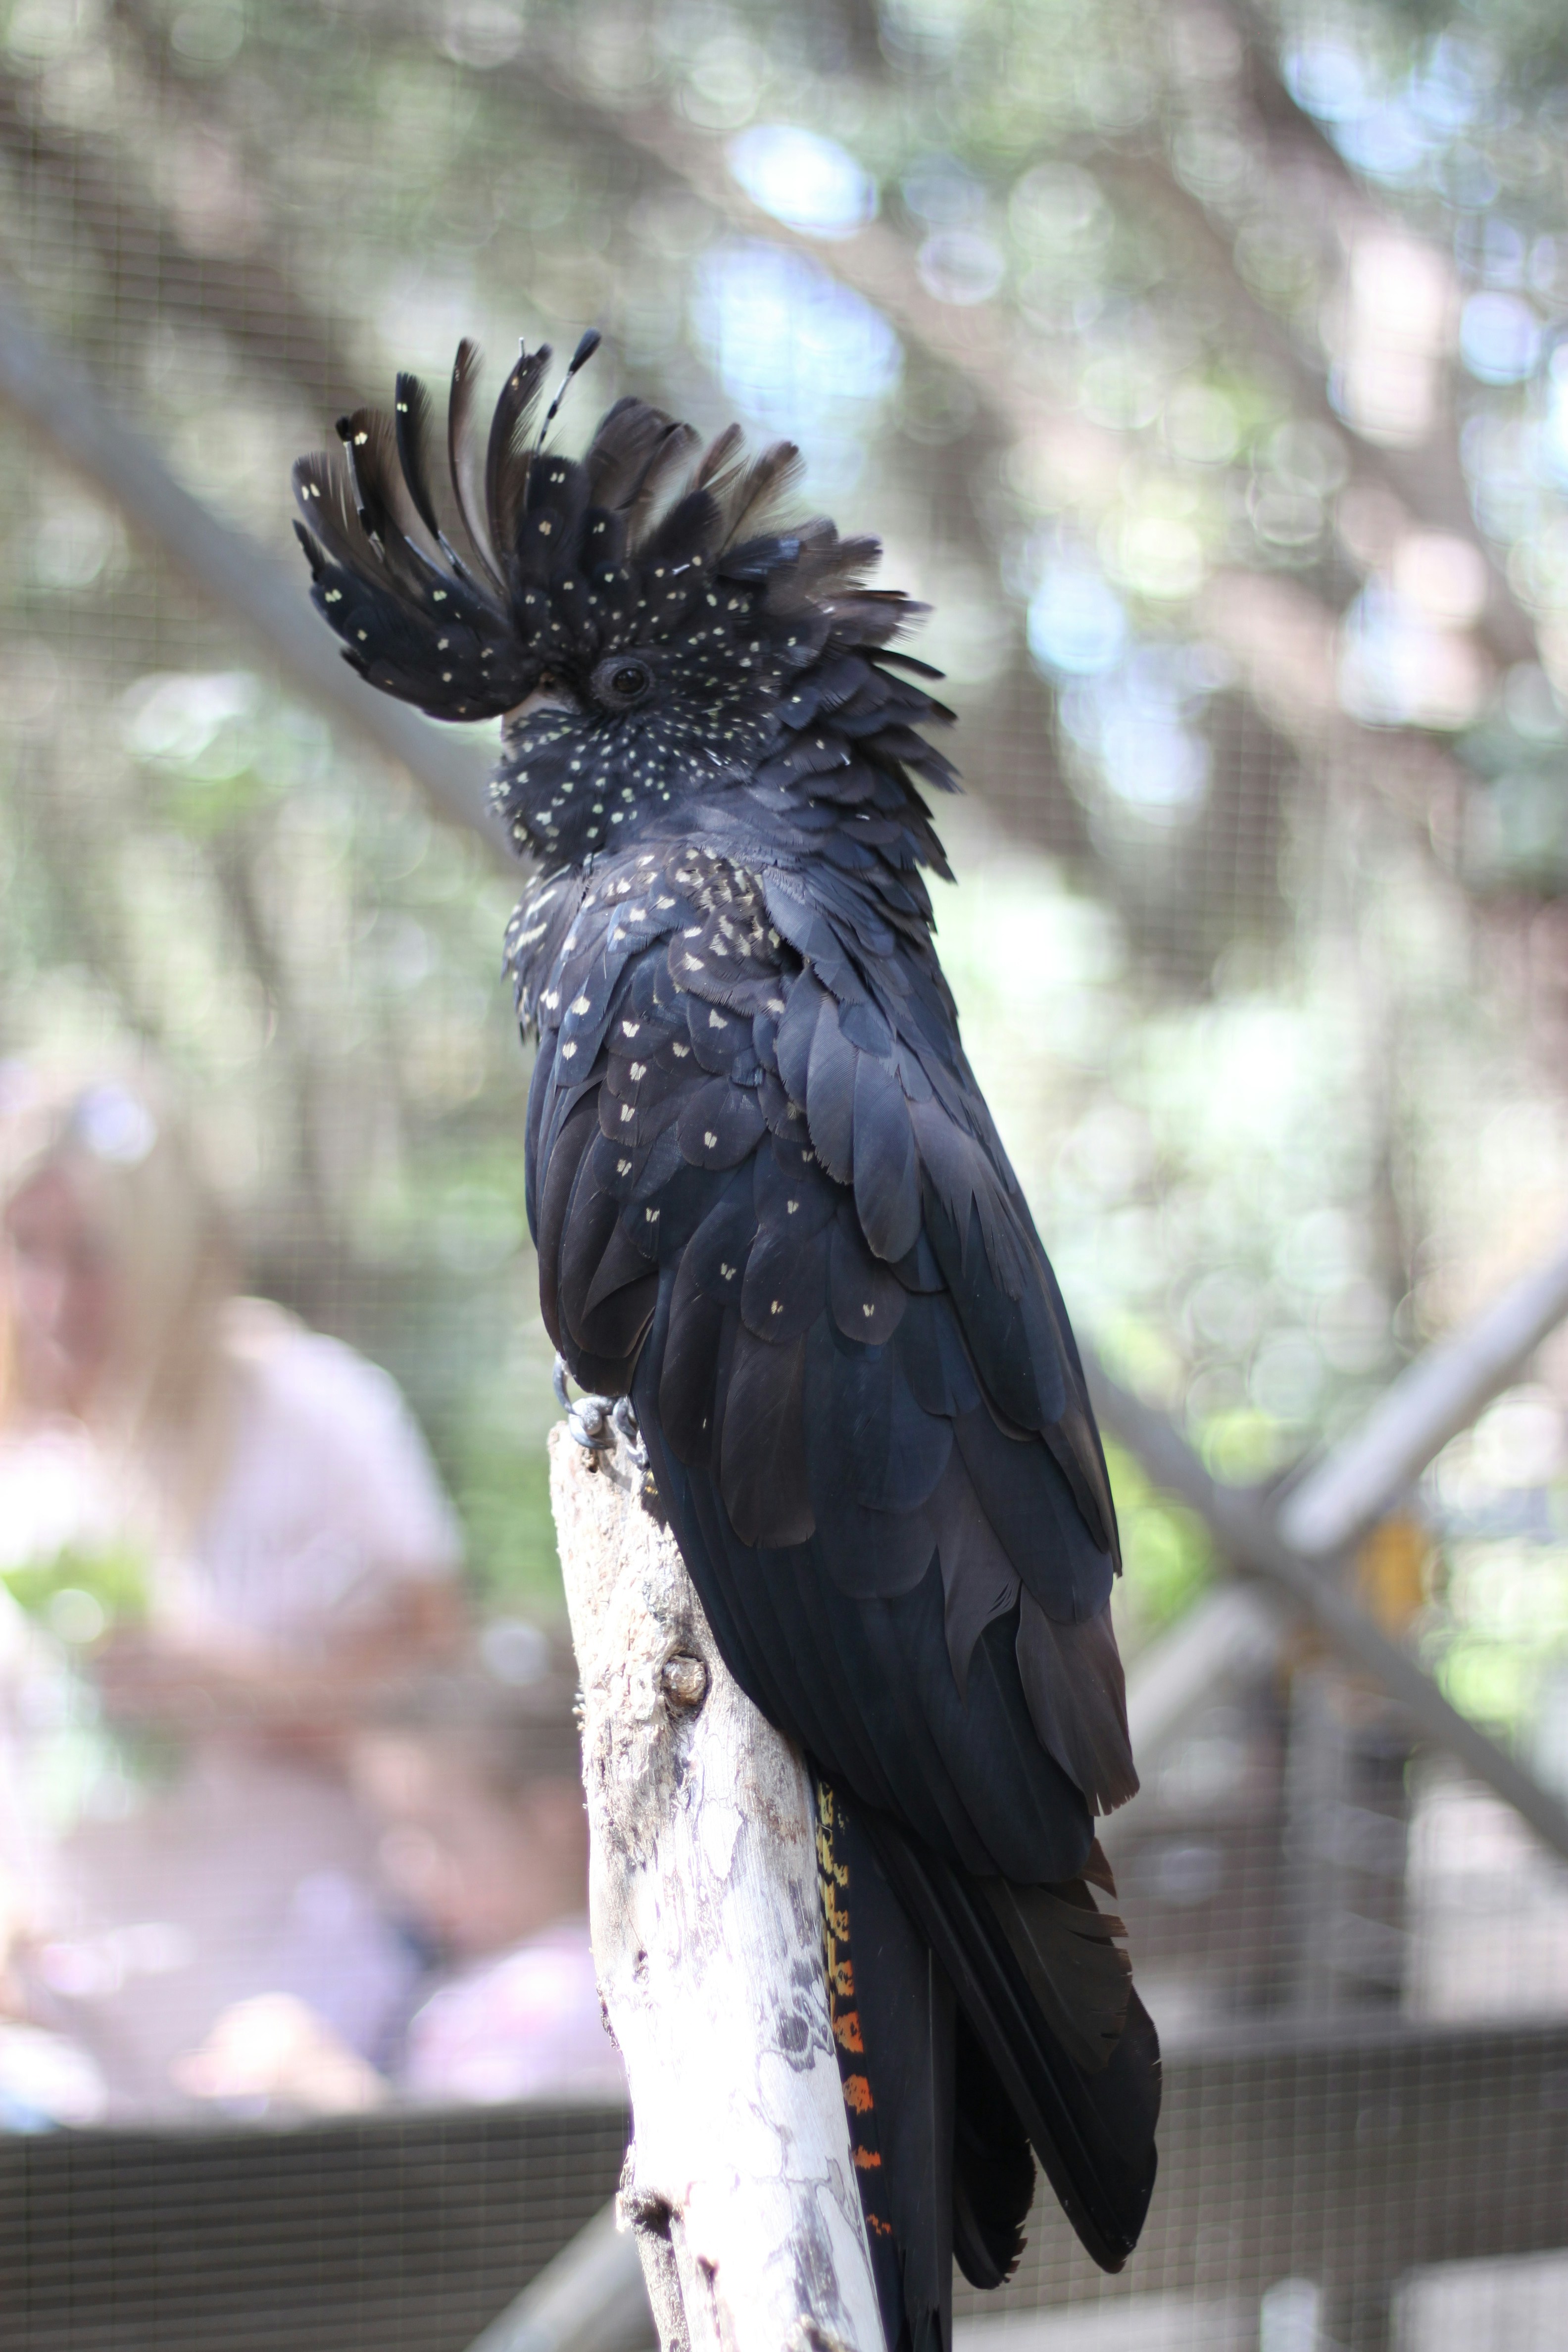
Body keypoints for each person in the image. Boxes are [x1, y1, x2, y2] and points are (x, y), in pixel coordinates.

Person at [0, 1063, 467, 2118]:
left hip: (297, 2034)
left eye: (94, 1256)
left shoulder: (316, 1414)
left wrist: (252, 1688)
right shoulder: (23, 1451)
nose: (52, 1299)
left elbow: (457, 1713)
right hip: (71, 2056)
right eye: (26, 1249)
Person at [349, 1630, 624, 2106]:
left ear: (554, 1824)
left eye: (440, 1833)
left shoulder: (570, 1994)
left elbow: (484, 2161)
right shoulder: (475, 1976)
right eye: (393, 1835)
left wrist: (344, 2102)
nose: (406, 1867)